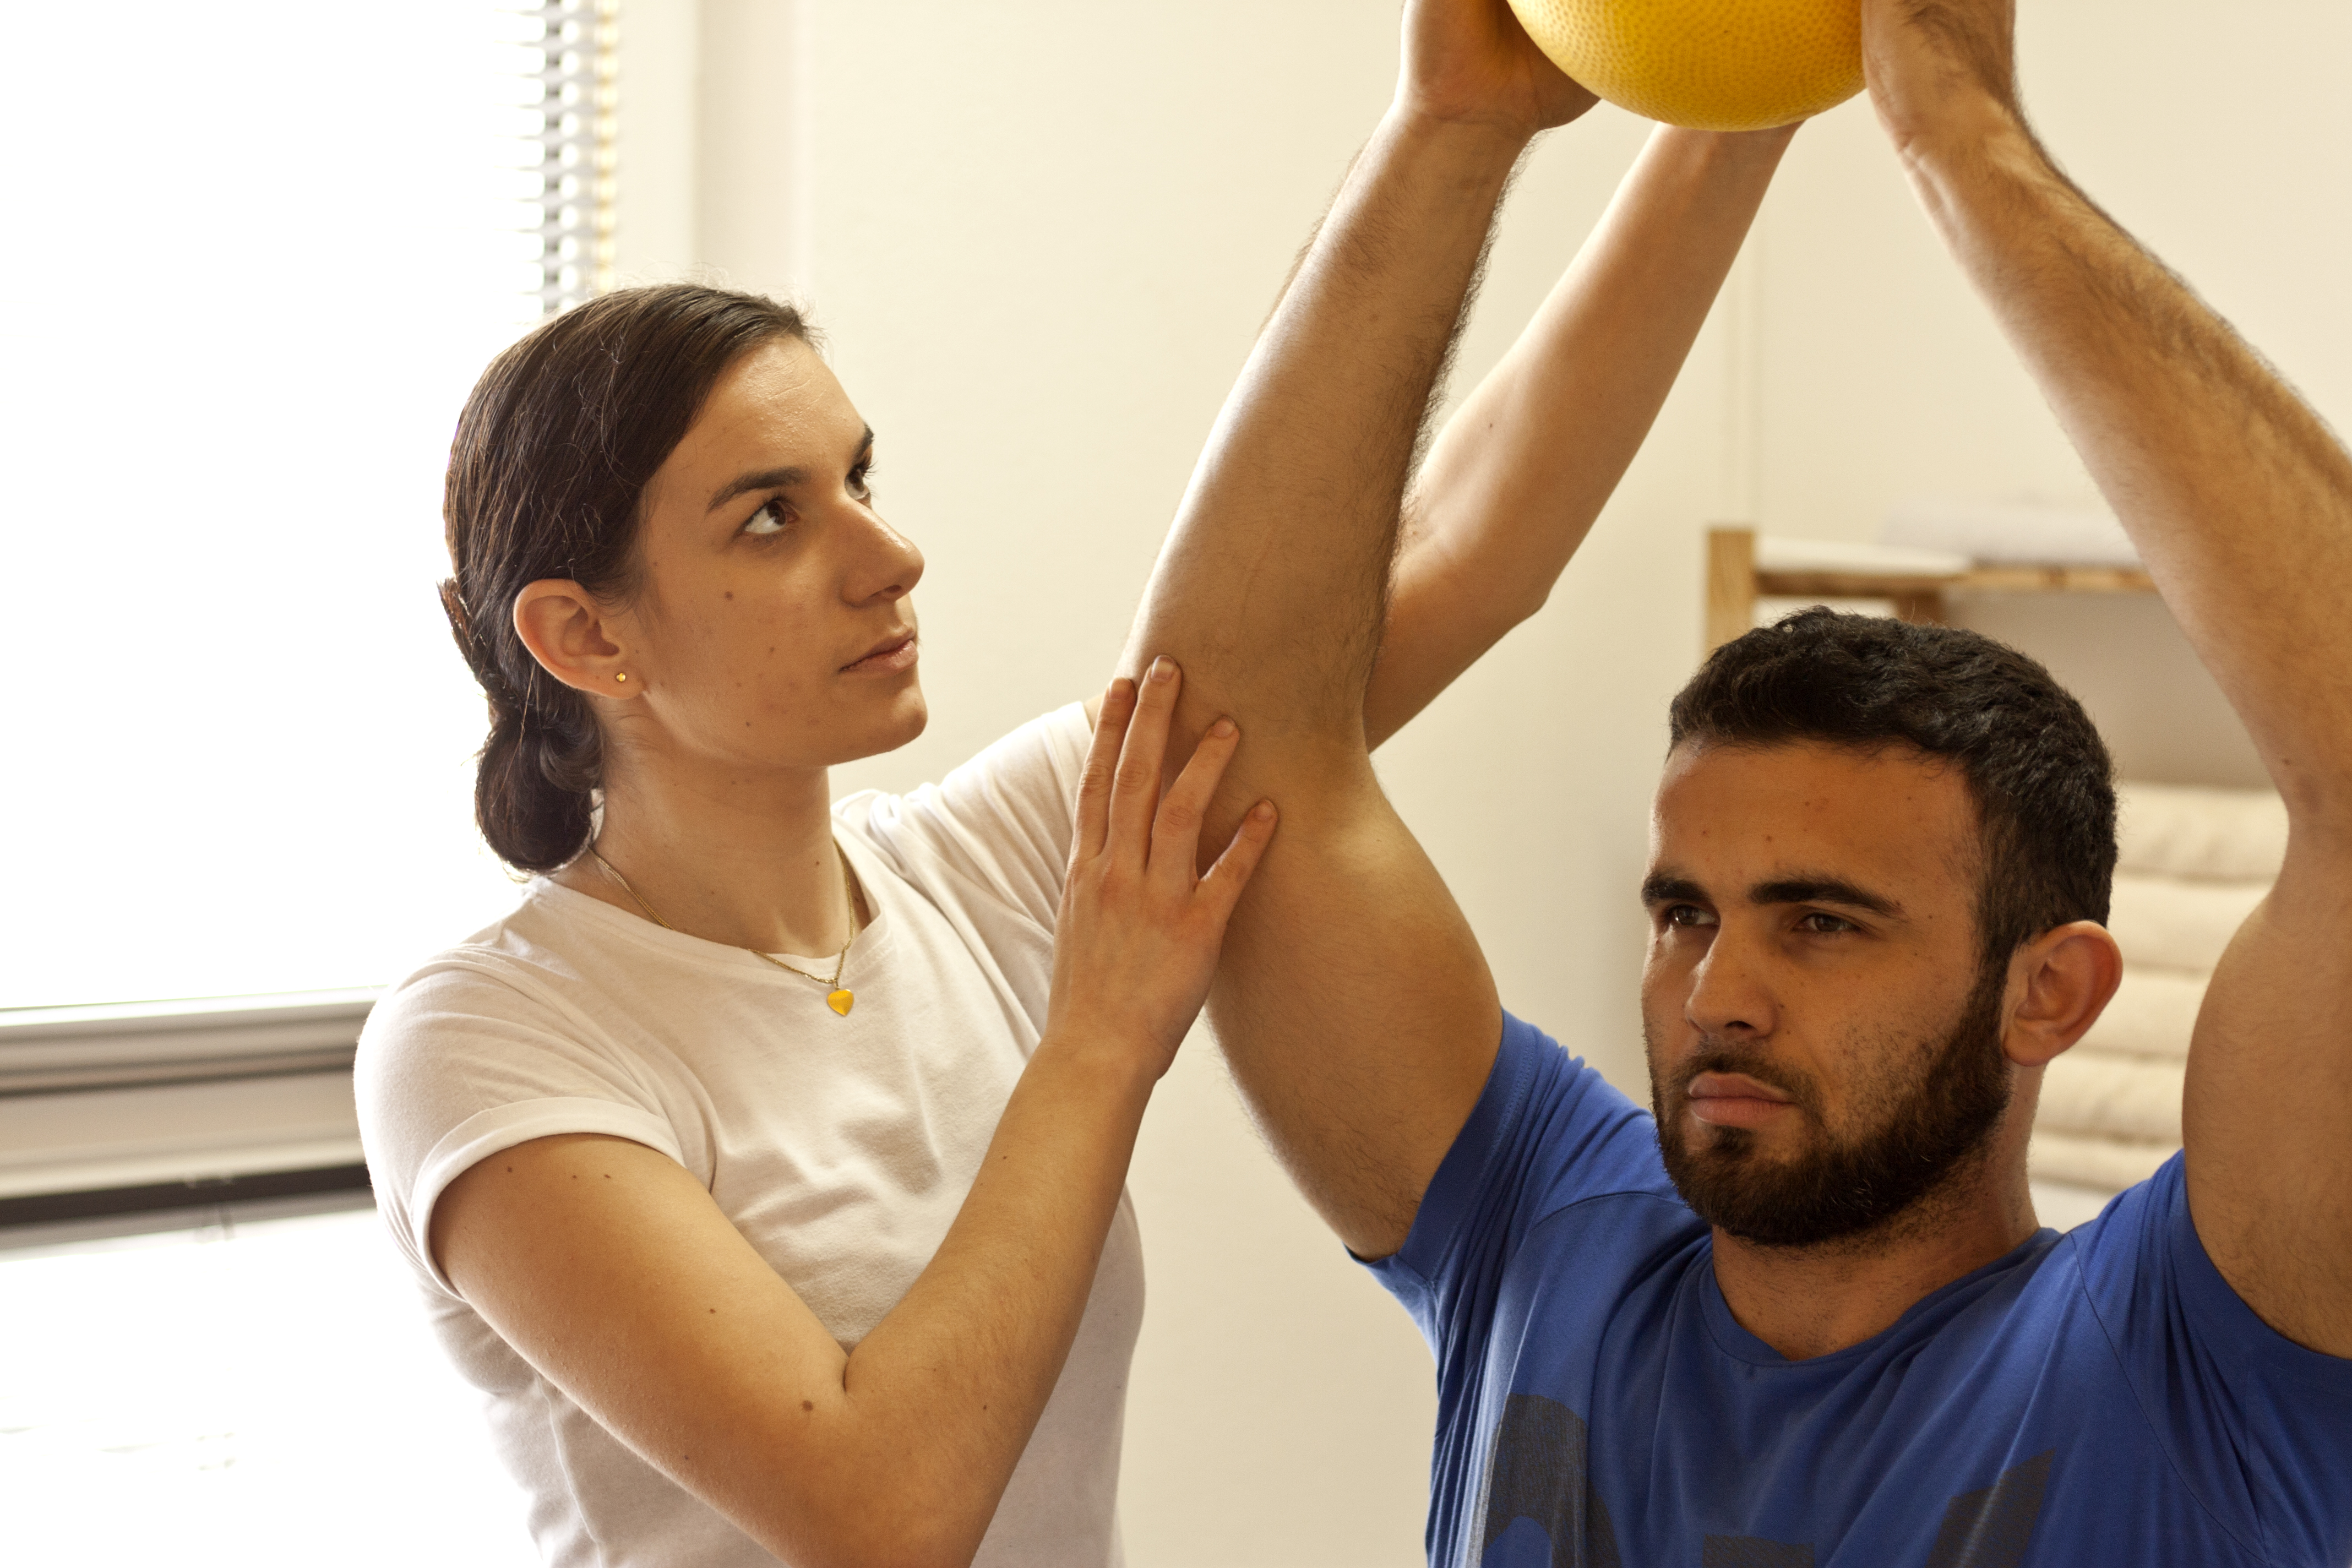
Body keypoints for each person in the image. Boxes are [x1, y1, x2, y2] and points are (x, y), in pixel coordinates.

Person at [352, 33, 1794, 1568]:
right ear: (588, 637)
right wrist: (1102, 1035)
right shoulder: (489, 1042)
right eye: (773, 518)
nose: (887, 554)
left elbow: (1461, 539)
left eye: (859, 477)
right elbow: (883, 1513)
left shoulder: (987, 863)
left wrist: (1743, 94)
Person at [1123, 0, 2352, 1562]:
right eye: (1684, 912)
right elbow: (1215, 748)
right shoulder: (1545, 1234)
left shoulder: (2197, 1361)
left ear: (2053, 990)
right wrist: (1449, 128)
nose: (1719, 994)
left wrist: (1960, 139)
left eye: (1822, 922)